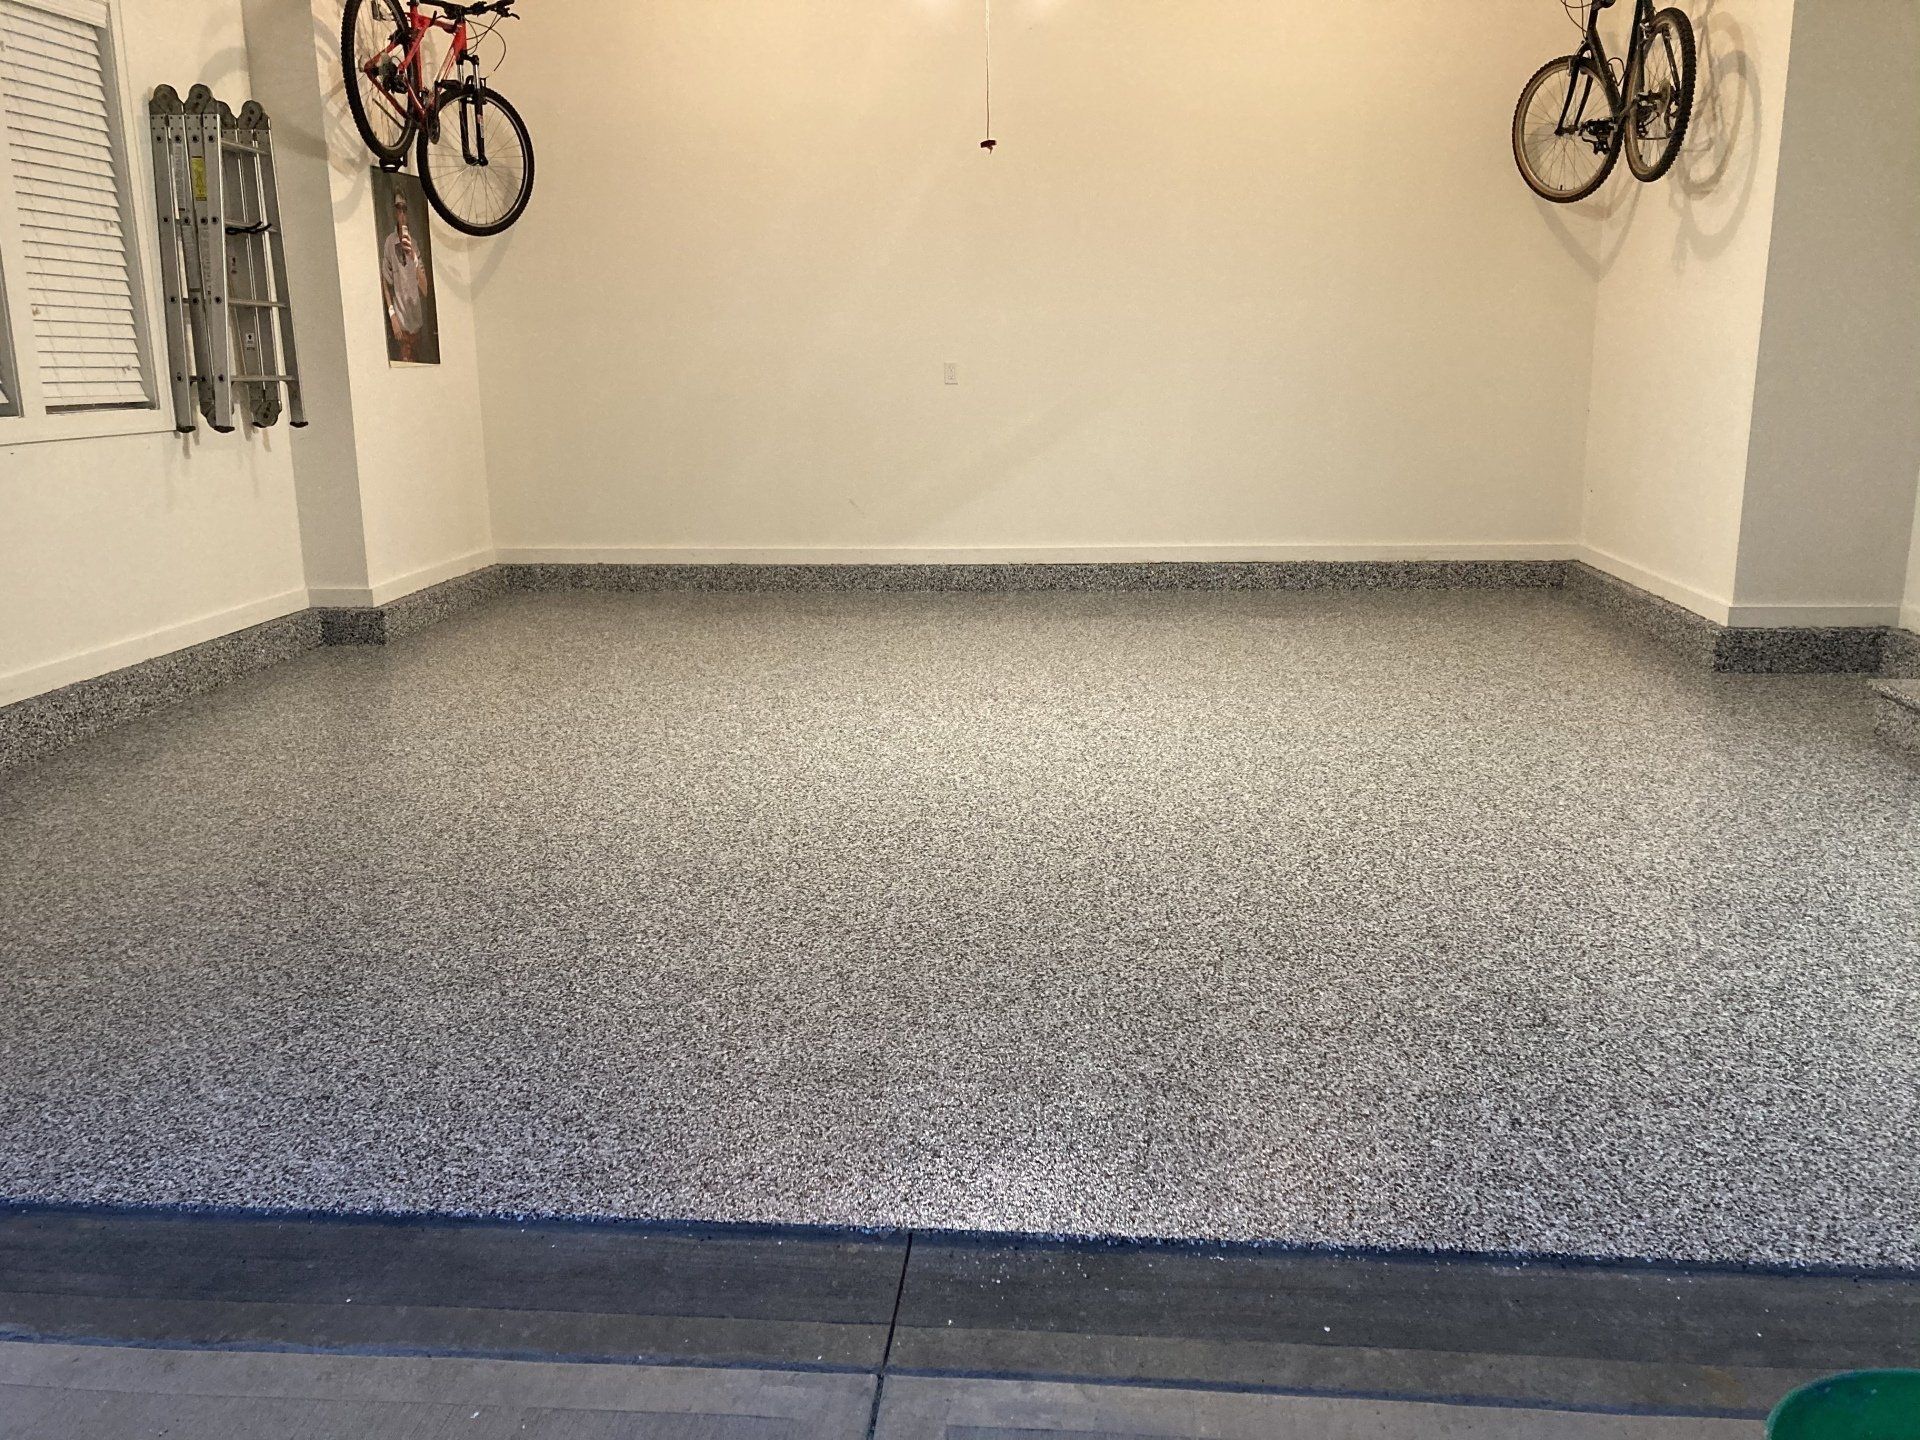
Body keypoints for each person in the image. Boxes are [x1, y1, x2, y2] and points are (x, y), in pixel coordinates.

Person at [381, 189, 432, 362]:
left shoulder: (414, 244)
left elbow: (425, 290)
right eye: (398, 209)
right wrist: (392, 315)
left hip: (417, 324)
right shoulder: (389, 243)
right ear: (395, 212)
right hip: (400, 326)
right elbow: (385, 282)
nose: (402, 214)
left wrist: (414, 259)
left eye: (404, 210)